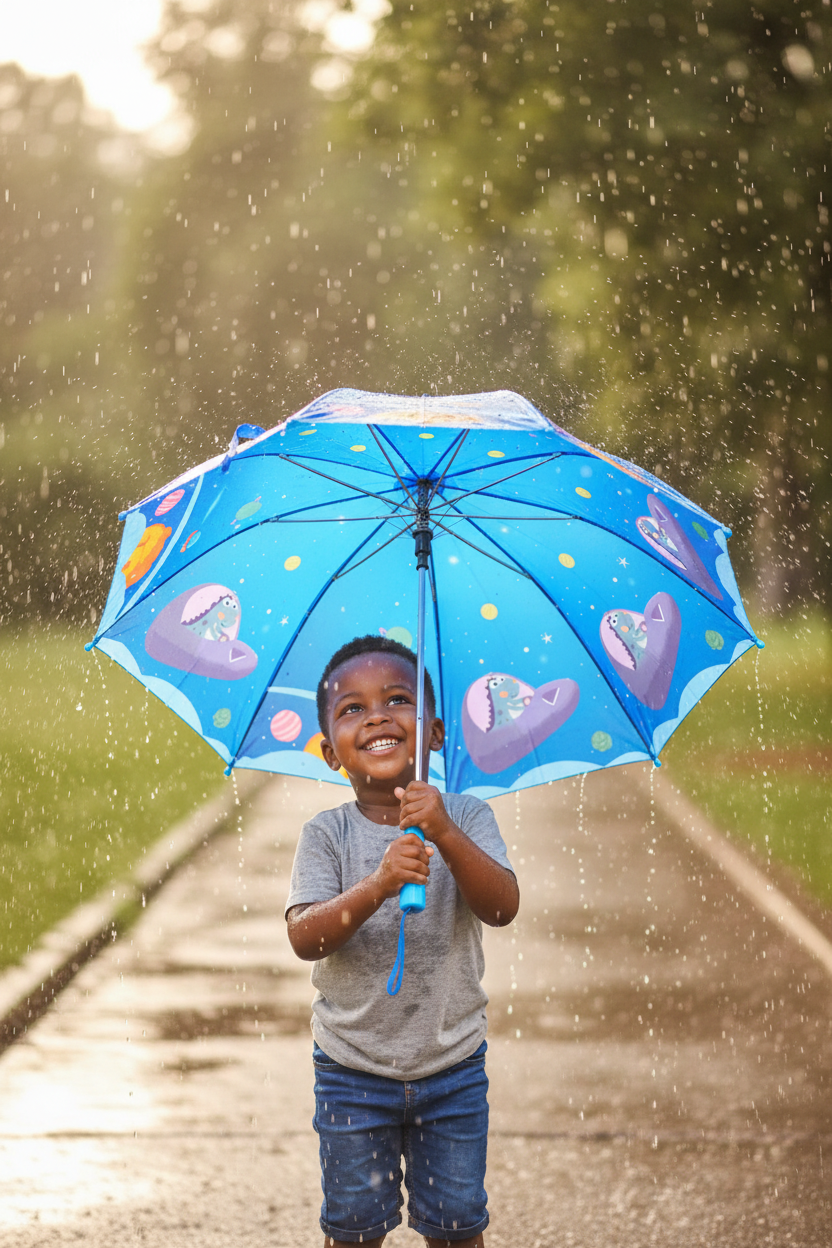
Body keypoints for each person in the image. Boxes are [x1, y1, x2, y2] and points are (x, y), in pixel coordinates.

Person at [285, 634, 520, 1248]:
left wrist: (442, 829)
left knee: (458, 1226)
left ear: (435, 733)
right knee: (354, 1230)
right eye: (351, 709)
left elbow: (501, 906)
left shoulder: (466, 818)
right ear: (331, 752)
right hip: (351, 1071)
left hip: (453, 1068)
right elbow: (305, 937)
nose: (378, 716)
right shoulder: (327, 835)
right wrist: (380, 883)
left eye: (398, 699)